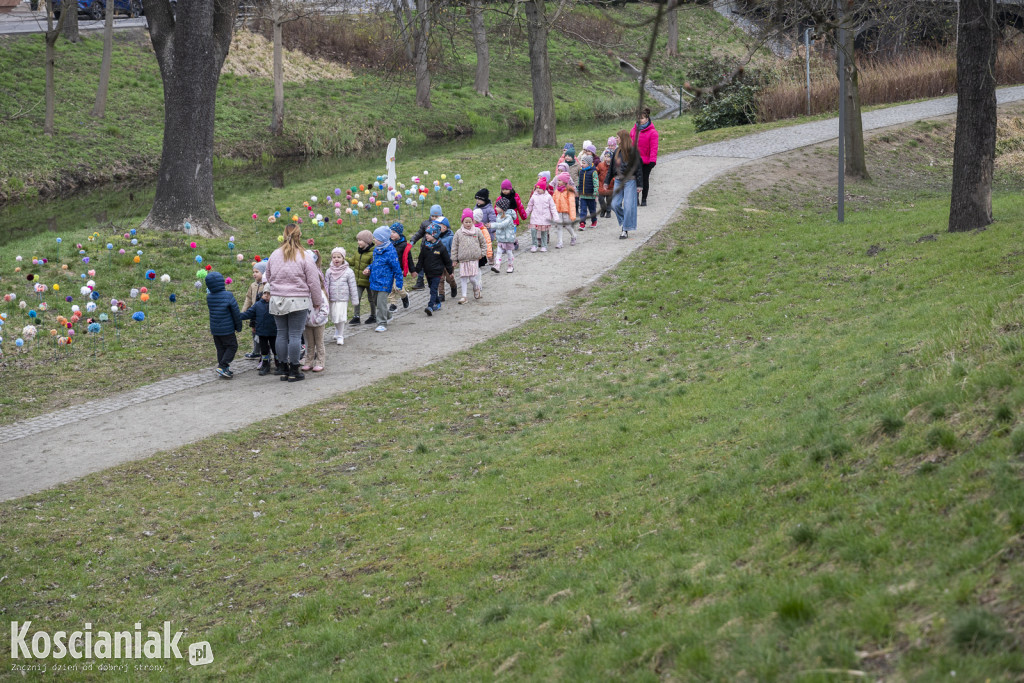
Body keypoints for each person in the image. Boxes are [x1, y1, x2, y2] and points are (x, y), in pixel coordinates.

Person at [265, 224, 324, 382]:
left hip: (277, 300)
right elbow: (313, 281)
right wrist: (317, 301)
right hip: (298, 300)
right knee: (295, 335)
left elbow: (268, 276)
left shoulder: (275, 254)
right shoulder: (304, 256)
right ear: (299, 235)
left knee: (282, 334)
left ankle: (283, 368)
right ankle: (294, 369)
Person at [365, 225, 404, 332]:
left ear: (382, 239)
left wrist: (399, 283)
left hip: (385, 282)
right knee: (376, 302)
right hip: (374, 280)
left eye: (376, 238)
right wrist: (368, 268)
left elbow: (397, 268)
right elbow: (374, 263)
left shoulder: (391, 252)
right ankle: (388, 315)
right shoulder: (376, 250)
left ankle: (382, 323)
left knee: (381, 302)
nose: (374, 240)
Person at [205, 270, 242, 379]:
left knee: (220, 348)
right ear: (222, 282)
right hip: (227, 329)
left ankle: (224, 369)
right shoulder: (228, 295)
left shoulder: (209, 297)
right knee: (232, 346)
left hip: (215, 329)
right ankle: (223, 365)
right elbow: (235, 312)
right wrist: (238, 326)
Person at [610, 128, 643, 239]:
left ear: (622, 138)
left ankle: (625, 228)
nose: (616, 139)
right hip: (618, 180)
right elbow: (611, 168)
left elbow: (638, 168)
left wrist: (639, 185)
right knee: (614, 204)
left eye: (617, 137)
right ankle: (625, 221)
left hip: (630, 181)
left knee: (629, 206)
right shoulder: (616, 151)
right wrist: (606, 181)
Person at [450, 208, 488, 304]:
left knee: (472, 278)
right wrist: (454, 259)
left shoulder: (477, 231)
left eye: (469, 222)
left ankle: (476, 288)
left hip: (474, 259)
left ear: (473, 221)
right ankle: (464, 296)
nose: (468, 224)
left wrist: (482, 253)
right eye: (466, 222)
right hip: (463, 259)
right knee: (463, 277)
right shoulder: (458, 233)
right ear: (462, 222)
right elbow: (454, 246)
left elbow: (483, 243)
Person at [240, 288, 280, 376]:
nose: (266, 295)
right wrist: (237, 315)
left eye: (269, 293)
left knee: (276, 349)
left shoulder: (276, 304)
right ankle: (265, 365)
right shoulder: (257, 305)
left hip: (274, 332)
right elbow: (249, 313)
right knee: (264, 350)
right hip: (262, 332)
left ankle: (279, 364)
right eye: (264, 293)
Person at [415, 224, 452, 315]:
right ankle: (438, 303)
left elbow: (447, 261)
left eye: (429, 234)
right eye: (426, 233)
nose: (426, 235)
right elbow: (421, 260)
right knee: (431, 288)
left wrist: (450, 271)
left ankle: (430, 306)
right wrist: (416, 270)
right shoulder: (425, 247)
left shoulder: (441, 248)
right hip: (428, 272)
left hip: (437, 273)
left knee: (433, 290)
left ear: (435, 235)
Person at [409, 204, 448, 290]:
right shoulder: (426, 224)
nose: (434, 218)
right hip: (426, 248)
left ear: (441, 215)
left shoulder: (443, 224)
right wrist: (413, 241)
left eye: (436, 216)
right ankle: (420, 282)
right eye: (432, 216)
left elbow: (446, 235)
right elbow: (419, 233)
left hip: (437, 249)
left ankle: (435, 280)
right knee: (422, 264)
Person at [325, 247, 358, 345]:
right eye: (334, 257)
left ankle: (340, 335)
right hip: (332, 298)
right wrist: (326, 298)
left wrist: (354, 299)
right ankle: (337, 330)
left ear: (343, 258)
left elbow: (352, 286)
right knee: (334, 316)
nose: (336, 259)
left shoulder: (348, 271)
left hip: (343, 298)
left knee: (341, 316)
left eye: (339, 257)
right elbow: (326, 285)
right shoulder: (329, 271)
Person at [630, 106, 659, 206]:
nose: (640, 120)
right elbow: (630, 145)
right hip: (635, 160)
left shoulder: (653, 132)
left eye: (642, 118)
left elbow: (654, 148)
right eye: (638, 118)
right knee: (634, 179)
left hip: (646, 161)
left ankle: (644, 199)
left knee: (644, 179)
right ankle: (636, 199)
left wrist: (652, 161)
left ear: (647, 119)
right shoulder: (633, 131)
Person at [347, 230, 376, 326]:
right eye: (358, 240)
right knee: (356, 298)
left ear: (367, 241)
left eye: (360, 240)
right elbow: (352, 262)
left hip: (370, 281)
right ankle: (356, 317)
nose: (358, 242)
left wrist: (369, 271)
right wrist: (343, 259)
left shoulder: (373, 253)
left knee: (371, 299)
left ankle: (373, 315)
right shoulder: (358, 252)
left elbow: (374, 266)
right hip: (359, 281)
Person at [302, 279, 329, 373]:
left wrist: (317, 320)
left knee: (319, 343)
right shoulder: (304, 294)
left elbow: (325, 309)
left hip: (318, 324)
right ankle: (308, 361)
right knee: (309, 344)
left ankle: (320, 362)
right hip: (307, 323)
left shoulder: (320, 294)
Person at [241, 261, 267, 359]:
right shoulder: (253, 285)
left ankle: (266, 352)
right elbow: (248, 298)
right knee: (254, 331)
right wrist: (244, 311)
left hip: (263, 313)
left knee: (263, 333)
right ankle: (256, 351)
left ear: (264, 273)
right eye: (253, 272)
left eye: (257, 272)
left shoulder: (266, 285)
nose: (254, 274)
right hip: (254, 313)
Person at [526, 177, 557, 252]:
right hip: (535, 217)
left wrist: (555, 216)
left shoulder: (548, 197)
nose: (538, 190)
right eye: (537, 188)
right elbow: (529, 206)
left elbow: (552, 207)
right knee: (533, 230)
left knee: (544, 232)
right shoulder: (534, 196)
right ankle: (534, 244)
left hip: (545, 217)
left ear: (544, 189)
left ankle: (544, 245)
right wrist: (525, 214)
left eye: (539, 188)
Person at [387, 222, 412, 313]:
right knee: (389, 288)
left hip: (398, 270)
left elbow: (409, 258)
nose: (391, 234)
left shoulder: (404, 245)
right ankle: (393, 304)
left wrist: (412, 270)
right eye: (390, 232)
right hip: (388, 269)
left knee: (398, 287)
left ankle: (404, 296)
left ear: (399, 233)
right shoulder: (388, 243)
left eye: (394, 232)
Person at [490, 198, 517, 274]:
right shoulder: (498, 216)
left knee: (509, 252)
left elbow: (502, 225)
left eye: (497, 207)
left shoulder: (508, 217)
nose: (495, 208)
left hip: (508, 238)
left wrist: (492, 225)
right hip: (501, 238)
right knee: (498, 252)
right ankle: (497, 265)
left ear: (503, 208)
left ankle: (510, 265)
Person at [552, 172, 577, 248]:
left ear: (564, 182)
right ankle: (560, 242)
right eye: (558, 180)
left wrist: (572, 215)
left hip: (566, 212)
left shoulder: (569, 191)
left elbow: (572, 204)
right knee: (559, 226)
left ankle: (573, 235)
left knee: (568, 226)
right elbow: (553, 201)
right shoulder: (557, 191)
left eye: (559, 180)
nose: (558, 182)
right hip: (558, 211)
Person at [577, 153, 598, 231]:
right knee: (583, 209)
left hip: (591, 194)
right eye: (582, 163)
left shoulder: (593, 172)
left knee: (592, 209)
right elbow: (579, 181)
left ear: (589, 163)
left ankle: (594, 220)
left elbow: (596, 182)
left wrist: (595, 192)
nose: (582, 164)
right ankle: (582, 223)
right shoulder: (581, 171)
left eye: (584, 163)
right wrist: (578, 190)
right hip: (583, 195)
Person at [596, 150, 613, 219]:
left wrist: (613, 180)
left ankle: (608, 211)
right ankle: (603, 209)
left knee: (609, 199)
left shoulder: (613, 166)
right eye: (605, 156)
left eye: (608, 157)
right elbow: (596, 171)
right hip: (601, 184)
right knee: (601, 198)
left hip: (610, 186)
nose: (606, 158)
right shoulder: (601, 165)